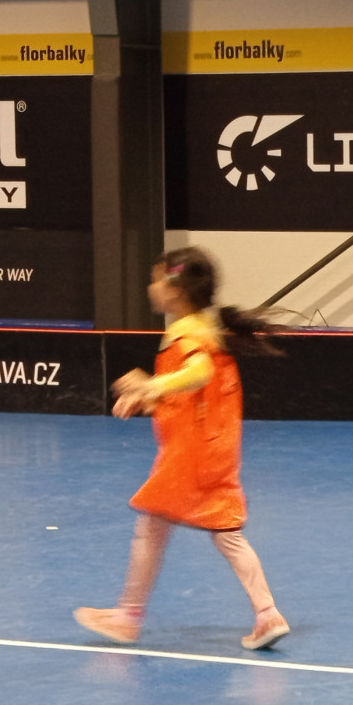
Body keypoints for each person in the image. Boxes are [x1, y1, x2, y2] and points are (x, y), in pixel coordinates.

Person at [75, 247, 291, 650]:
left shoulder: (186, 332)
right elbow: (196, 397)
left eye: (156, 279)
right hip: (215, 450)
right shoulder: (207, 328)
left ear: (175, 289)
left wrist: (151, 385)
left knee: (151, 527)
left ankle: (128, 617)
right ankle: (268, 614)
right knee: (226, 533)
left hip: (188, 456)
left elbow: (199, 373)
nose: (150, 287)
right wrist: (149, 400)